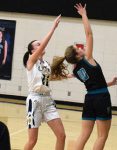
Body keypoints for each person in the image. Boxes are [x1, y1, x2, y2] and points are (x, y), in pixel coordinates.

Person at [50, 4, 117, 150]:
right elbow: (89, 34)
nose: (80, 48)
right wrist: (83, 14)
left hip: (90, 99)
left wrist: (110, 83)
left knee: (84, 134)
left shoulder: (76, 70)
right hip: (101, 98)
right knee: (102, 136)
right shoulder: (88, 58)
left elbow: (95, 84)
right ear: (77, 55)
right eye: (77, 49)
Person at [23, 15, 66, 150]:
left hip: (47, 101)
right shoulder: (31, 61)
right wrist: (53, 27)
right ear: (32, 51)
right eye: (38, 44)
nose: (41, 45)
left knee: (61, 135)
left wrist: (71, 75)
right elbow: (44, 45)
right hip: (34, 101)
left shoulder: (46, 64)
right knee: (32, 141)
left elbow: (48, 79)